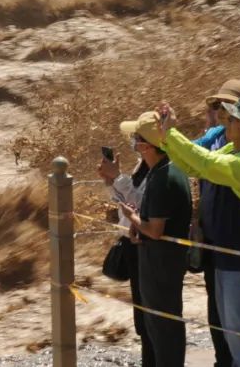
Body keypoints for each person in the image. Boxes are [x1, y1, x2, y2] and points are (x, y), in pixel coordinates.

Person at [150, 91, 240, 367]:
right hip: (229, 260)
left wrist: (173, 135)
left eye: (233, 118)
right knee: (236, 342)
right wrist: (167, 137)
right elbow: (195, 165)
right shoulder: (239, 147)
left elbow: (208, 164)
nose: (226, 120)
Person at [119, 111, 193, 367]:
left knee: (164, 328)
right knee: (163, 325)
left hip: (161, 264)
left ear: (146, 145)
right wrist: (141, 225)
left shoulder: (162, 177)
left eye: (136, 138)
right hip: (162, 261)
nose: (133, 143)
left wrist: (132, 217)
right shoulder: (168, 168)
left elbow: (156, 231)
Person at [194, 80, 240, 367]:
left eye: (226, 106)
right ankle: (222, 360)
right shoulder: (214, 136)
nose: (219, 112)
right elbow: (188, 158)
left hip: (238, 240)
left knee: (238, 314)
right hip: (212, 237)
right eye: (216, 106)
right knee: (215, 308)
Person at [97, 147, 153, 366]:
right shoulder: (143, 164)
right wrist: (111, 181)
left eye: (139, 138)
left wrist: (118, 178)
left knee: (150, 316)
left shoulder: (161, 168)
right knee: (142, 316)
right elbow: (125, 204)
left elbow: (140, 204)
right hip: (133, 242)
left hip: (146, 245)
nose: (135, 142)